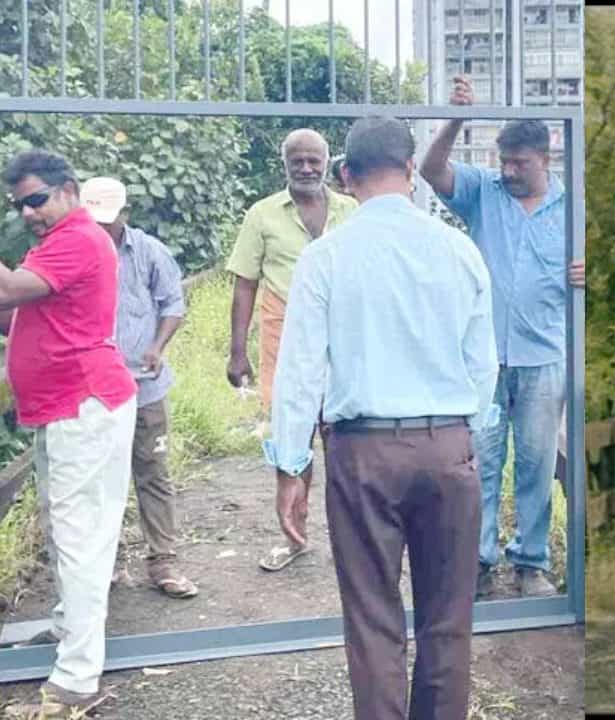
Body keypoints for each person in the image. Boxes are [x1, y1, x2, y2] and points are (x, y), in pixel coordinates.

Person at [265, 115, 498, 720]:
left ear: (345, 177)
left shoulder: (325, 258)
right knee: (448, 620)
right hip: (449, 447)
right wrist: (462, 439)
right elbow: (484, 367)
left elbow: (298, 374)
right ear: (412, 172)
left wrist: (291, 466)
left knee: (372, 619)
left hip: (363, 454)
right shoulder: (459, 250)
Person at [0, 150, 137, 716]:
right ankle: (67, 632)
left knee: (80, 538)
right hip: (66, 407)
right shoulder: (55, 242)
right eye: (18, 205)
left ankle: (76, 678)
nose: (28, 212)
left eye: (36, 199)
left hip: (84, 404)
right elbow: (12, 313)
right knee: (68, 531)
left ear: (69, 190)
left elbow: (5, 289)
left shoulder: (78, 238)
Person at [420, 74, 584, 599]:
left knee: (536, 465)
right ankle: (479, 562)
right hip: (486, 361)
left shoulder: (574, 211)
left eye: (520, 163)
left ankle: (530, 564)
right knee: (480, 462)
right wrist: (457, 118)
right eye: (504, 161)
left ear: (546, 157)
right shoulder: (483, 192)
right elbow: (430, 170)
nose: (509, 171)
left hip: (544, 359)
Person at [224, 128, 359, 572]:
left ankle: (353, 541)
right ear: (284, 165)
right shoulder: (262, 215)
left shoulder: (352, 210)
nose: (305, 168)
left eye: (313, 161)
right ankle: (295, 537)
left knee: (345, 438)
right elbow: (245, 284)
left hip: (345, 339)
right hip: (284, 335)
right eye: (296, 161)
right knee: (292, 440)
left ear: (327, 163)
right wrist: (237, 352)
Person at [79, 176, 198, 599]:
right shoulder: (73, 250)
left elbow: (172, 304)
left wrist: (157, 346)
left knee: (153, 471)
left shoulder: (147, 251)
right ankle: (106, 564)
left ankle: (163, 562)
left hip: (143, 385)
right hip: (91, 389)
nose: (102, 228)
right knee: (97, 478)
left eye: (109, 221)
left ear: (125, 214)